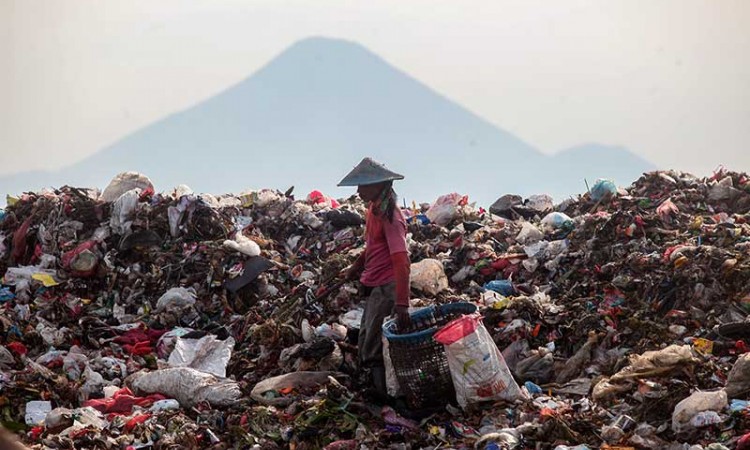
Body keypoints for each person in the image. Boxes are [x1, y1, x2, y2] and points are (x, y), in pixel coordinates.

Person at [338, 157, 411, 400]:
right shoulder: (374, 210)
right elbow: (372, 246)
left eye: (363, 186)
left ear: (379, 185)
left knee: (372, 344)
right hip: (374, 283)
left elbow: (401, 260)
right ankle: (373, 389)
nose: (358, 191)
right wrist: (355, 267)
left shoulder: (391, 217)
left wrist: (402, 304)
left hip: (387, 285)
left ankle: (383, 398)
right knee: (365, 337)